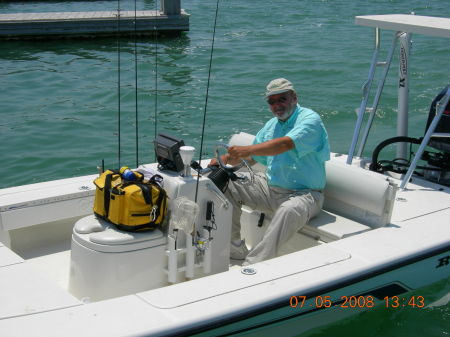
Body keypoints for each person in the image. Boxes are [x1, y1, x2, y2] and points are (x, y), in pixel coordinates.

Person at [210, 78, 330, 265]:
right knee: (226, 183)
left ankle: (254, 264)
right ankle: (234, 249)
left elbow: (284, 144)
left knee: (289, 209)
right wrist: (223, 161)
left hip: (305, 195)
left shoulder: (310, 120)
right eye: (272, 102)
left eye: (281, 99)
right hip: (270, 189)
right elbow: (253, 157)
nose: (277, 105)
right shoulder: (272, 125)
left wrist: (247, 150)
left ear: (294, 98)